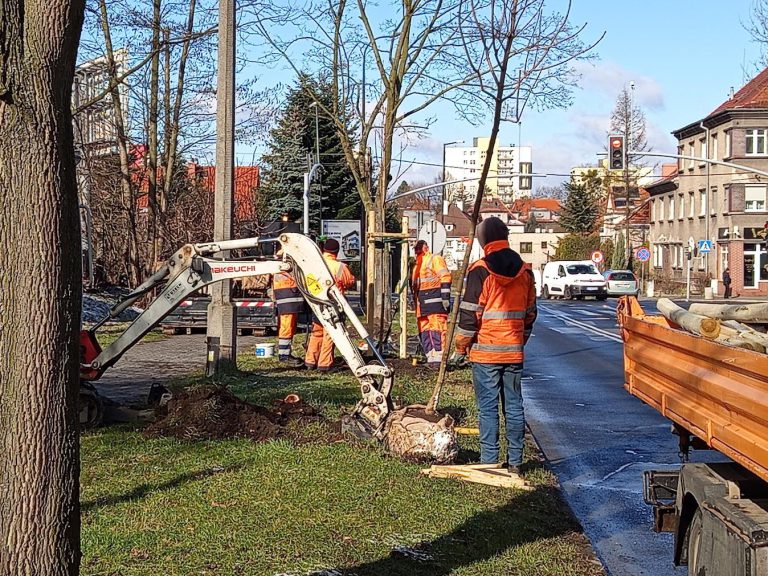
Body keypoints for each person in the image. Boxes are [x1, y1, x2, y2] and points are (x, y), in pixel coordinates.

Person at [453, 216, 537, 478]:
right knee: (514, 406)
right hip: (513, 350)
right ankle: (515, 462)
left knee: (487, 408)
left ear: (483, 240)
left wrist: (460, 347)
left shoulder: (480, 270)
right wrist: (519, 340)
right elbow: (530, 313)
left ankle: (489, 460)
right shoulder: (525, 270)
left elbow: (469, 316)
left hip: (486, 351)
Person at [304, 238, 355, 371]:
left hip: (316, 302)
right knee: (331, 333)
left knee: (317, 332)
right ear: (337, 252)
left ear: (324, 250)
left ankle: (310, 361)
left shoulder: (315, 264)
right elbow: (349, 281)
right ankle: (325, 364)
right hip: (333, 304)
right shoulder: (340, 267)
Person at [411, 239, 452, 370]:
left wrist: (445, 297)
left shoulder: (434, 259)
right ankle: (431, 358)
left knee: (437, 330)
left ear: (426, 248)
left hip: (435, 303)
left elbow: (445, 277)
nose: (417, 251)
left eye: (419, 248)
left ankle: (439, 360)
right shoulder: (417, 264)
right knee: (425, 331)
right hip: (422, 306)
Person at [272, 259, 305, 367]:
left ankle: (285, 354)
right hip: (288, 294)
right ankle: (284, 355)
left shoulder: (282, 256)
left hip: (288, 294)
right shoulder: (287, 257)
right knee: (287, 326)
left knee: (289, 326)